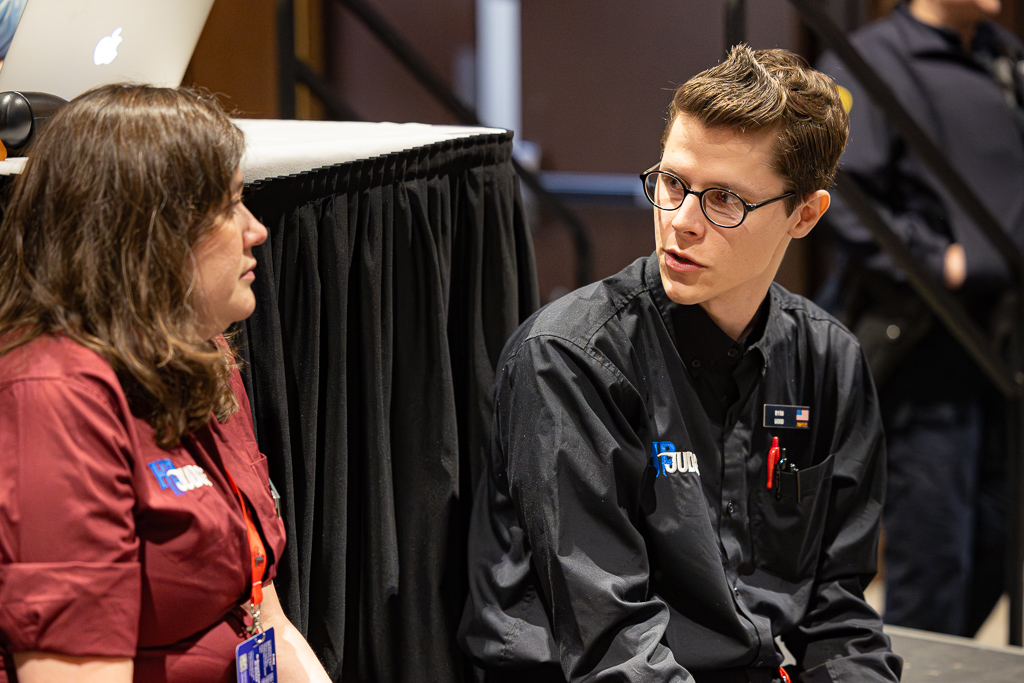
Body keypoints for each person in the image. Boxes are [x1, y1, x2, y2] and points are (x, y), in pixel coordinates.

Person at [459, 45, 902, 682]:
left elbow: (838, 613)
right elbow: (611, 642)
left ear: (804, 214)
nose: (680, 223)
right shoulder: (569, 359)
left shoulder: (829, 359)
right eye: (672, 183)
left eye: (723, 199)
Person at [0, 84, 331, 683]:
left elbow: (264, 611)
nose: (256, 230)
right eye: (230, 206)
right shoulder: (54, 398)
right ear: (149, 235)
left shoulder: (201, 352)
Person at [815, 0, 1024, 637]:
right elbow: (843, 197)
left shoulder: (1003, 57)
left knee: (1000, 537)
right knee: (933, 556)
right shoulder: (871, 61)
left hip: (1004, 340)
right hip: (925, 342)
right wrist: (943, 261)